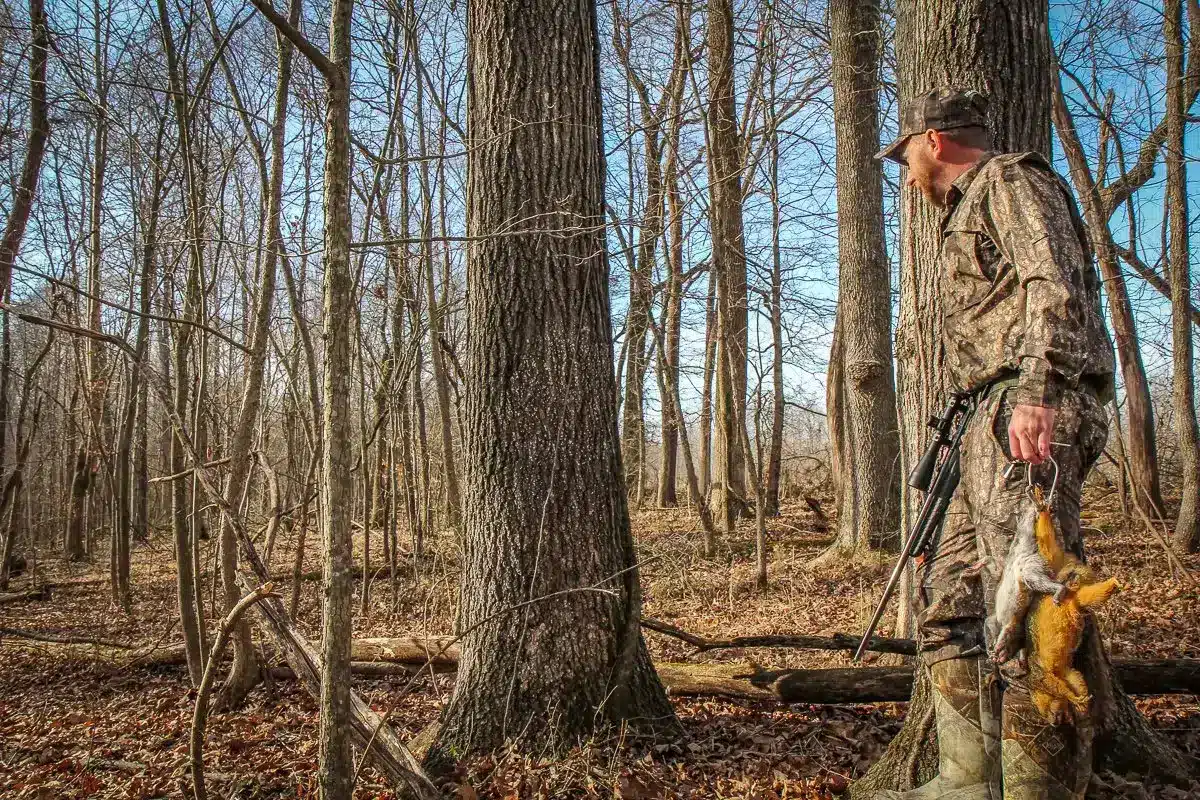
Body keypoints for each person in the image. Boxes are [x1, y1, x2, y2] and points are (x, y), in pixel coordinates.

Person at [874, 87, 1116, 799]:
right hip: (986, 415)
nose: (906, 171)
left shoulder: (1010, 181)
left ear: (935, 140)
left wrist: (1038, 390)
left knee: (1031, 608)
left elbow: (1056, 286)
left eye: (905, 154)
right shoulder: (962, 211)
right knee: (949, 597)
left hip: (1030, 406)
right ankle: (965, 781)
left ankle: (1040, 789)